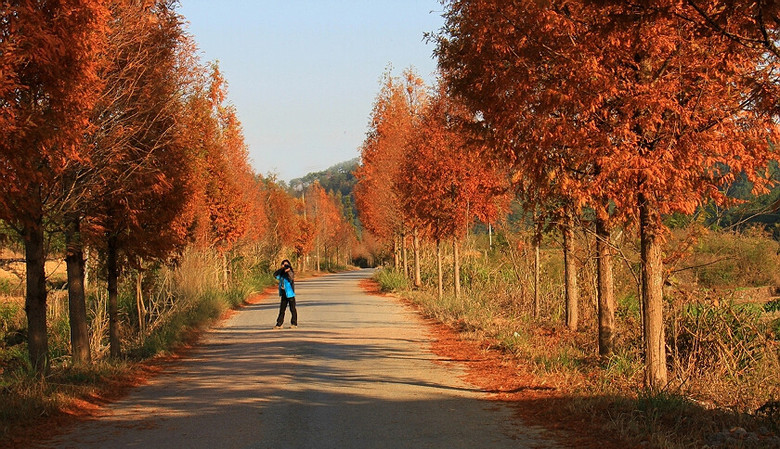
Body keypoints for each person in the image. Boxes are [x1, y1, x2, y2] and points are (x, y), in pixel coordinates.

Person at [273, 259, 297, 329]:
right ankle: (279, 324)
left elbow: (291, 277)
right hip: (283, 294)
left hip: (290, 294)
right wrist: (282, 269)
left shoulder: (290, 273)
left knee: (292, 309)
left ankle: (294, 323)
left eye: (287, 265)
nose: (285, 266)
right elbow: (275, 275)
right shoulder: (281, 275)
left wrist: (288, 270)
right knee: (282, 310)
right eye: (284, 264)